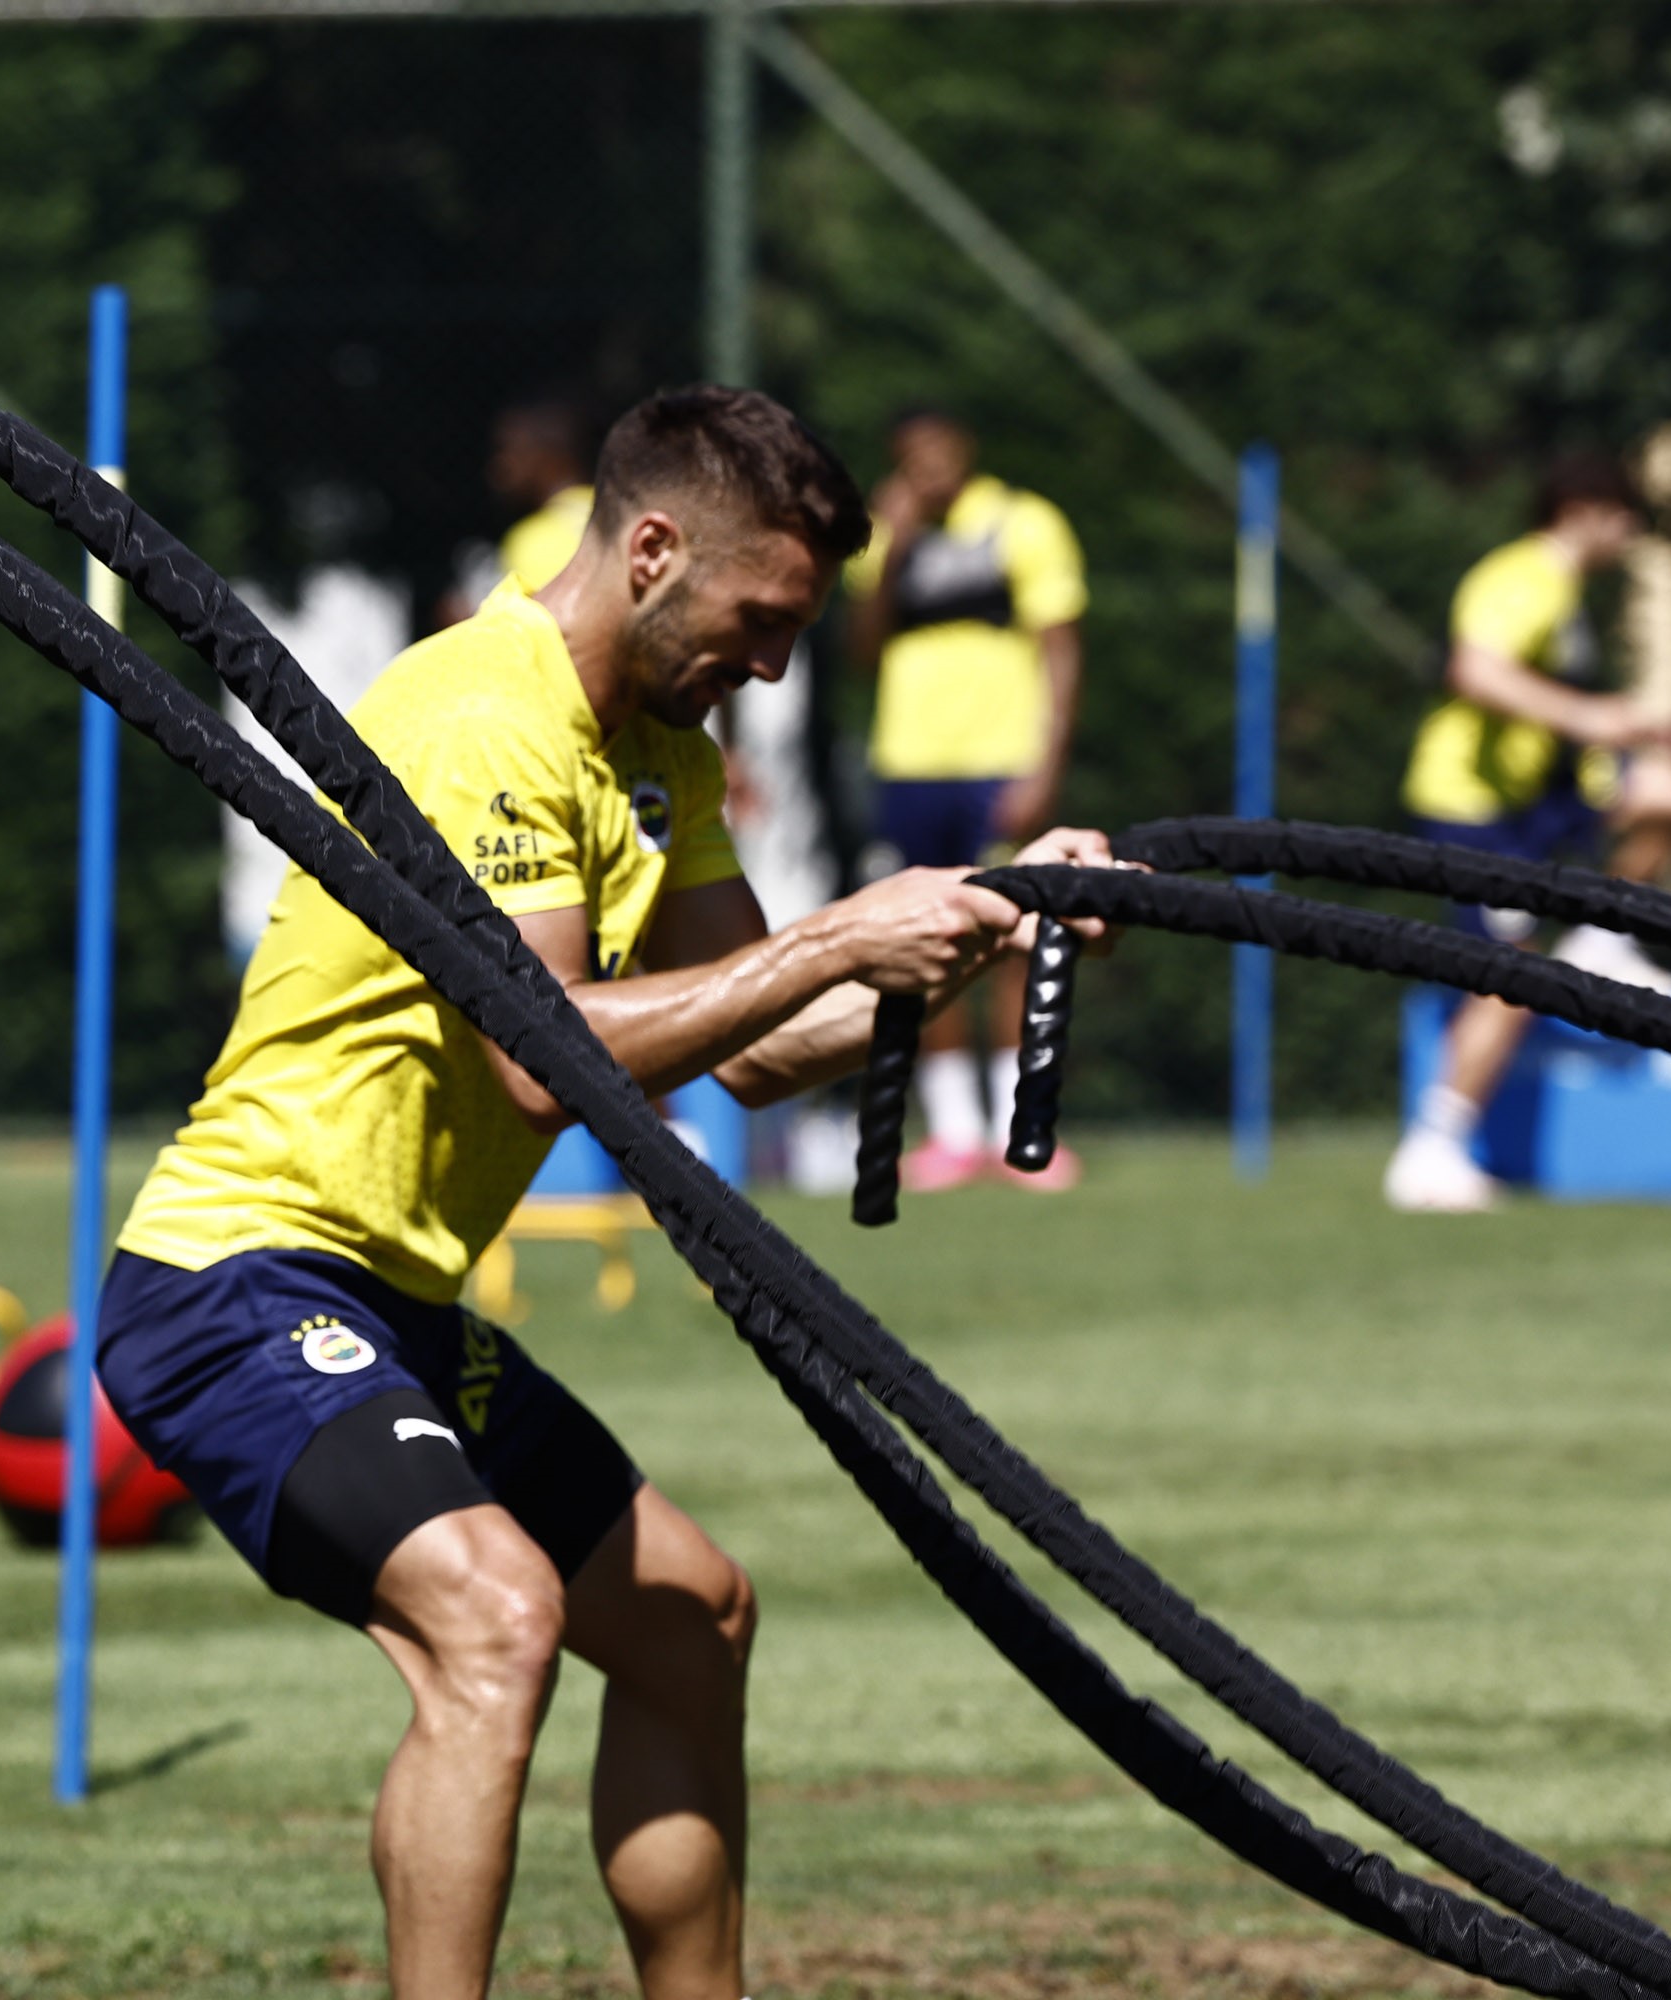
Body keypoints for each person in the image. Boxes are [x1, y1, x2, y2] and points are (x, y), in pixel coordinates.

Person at [99, 385, 1120, 2000]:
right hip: (235, 1285)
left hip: (392, 1302)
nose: (775, 665)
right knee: (493, 1619)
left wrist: (1006, 918)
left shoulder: (660, 748)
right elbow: (544, 1055)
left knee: (691, 1619)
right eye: (759, 618)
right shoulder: (484, 716)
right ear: (651, 551)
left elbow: (766, 1045)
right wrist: (843, 933)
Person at [1382, 451, 1671, 1213]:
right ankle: (1431, 1148)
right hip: (1475, 808)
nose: (1630, 536)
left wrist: (1627, 736)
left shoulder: (1564, 594)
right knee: (1511, 979)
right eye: (1627, 517)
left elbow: (1554, 721)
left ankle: (1604, 936)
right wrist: (1592, 716)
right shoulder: (1521, 578)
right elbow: (1475, 670)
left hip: (1539, 803)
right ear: (1588, 511)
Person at [844, 407, 1088, 1193]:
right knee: (927, 940)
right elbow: (861, 648)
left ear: (966, 450)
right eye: (912, 456)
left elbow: (1061, 648)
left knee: (1019, 938)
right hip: (910, 763)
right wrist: (894, 546)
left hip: (1001, 761)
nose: (929, 468)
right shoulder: (883, 536)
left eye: (939, 451)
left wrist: (1044, 763)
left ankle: (1029, 1125)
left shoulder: (1023, 523)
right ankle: (954, 1131)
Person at [437, 392, 598, 625]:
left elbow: (531, 634)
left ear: (549, 457)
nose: (499, 467)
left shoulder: (534, 541)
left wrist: (469, 624)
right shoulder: (616, 517)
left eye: (509, 451)